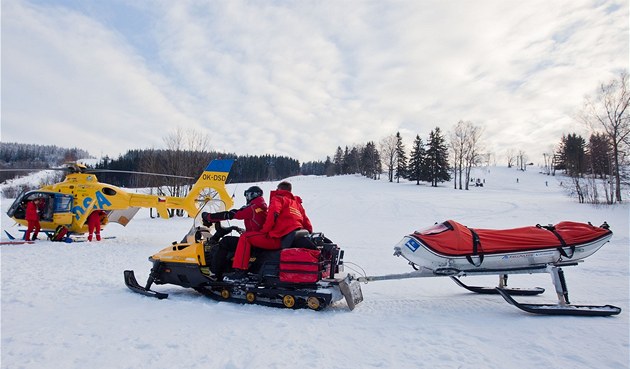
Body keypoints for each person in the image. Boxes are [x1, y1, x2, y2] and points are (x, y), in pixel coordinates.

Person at [224, 181, 313, 282]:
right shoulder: (296, 204)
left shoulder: (278, 198)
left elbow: (273, 214)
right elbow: (307, 224)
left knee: (245, 237)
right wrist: (307, 234)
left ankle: (240, 272)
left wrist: (264, 232)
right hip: (290, 237)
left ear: (279, 189)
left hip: (278, 239)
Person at [201, 186, 267, 280]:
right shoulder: (261, 206)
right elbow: (256, 224)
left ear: (252, 195)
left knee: (225, 242)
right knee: (232, 243)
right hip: (257, 238)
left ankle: (215, 272)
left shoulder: (253, 208)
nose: (247, 198)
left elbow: (231, 214)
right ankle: (227, 268)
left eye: (247, 195)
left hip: (253, 242)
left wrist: (209, 217)